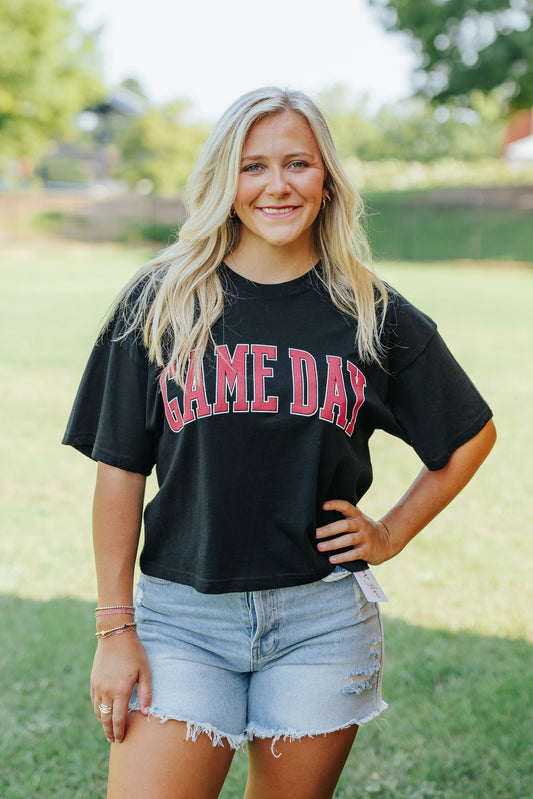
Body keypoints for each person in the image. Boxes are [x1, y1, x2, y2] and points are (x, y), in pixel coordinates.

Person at [63, 87, 496, 799]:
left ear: (325, 179)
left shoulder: (367, 311)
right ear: (225, 181)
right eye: (252, 165)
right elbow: (119, 471)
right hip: (181, 619)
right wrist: (115, 628)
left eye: (297, 163)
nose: (276, 184)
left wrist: (389, 531)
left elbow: (468, 435)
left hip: (320, 623)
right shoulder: (159, 302)